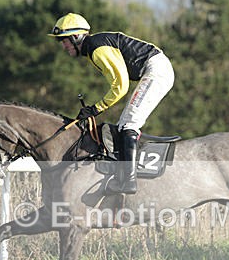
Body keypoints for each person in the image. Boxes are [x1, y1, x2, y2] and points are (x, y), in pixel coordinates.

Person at [48, 13, 175, 194]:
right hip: (155, 68)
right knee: (123, 125)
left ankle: (129, 182)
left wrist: (95, 109)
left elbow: (120, 86)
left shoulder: (96, 49)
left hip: (156, 69)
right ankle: (124, 176)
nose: (63, 46)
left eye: (64, 40)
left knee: (129, 124)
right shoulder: (93, 49)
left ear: (76, 36)